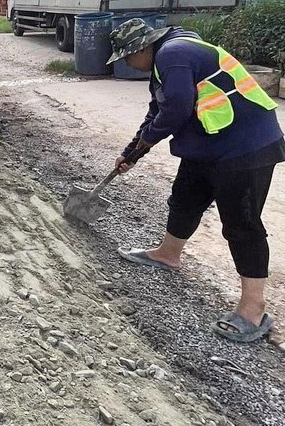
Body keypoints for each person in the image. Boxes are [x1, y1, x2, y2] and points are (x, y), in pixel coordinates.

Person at [108, 18, 284, 343]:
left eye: (126, 57)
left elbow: (175, 110)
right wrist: (132, 152)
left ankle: (253, 309)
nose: (126, 64)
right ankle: (167, 254)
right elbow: (157, 111)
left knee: (241, 223)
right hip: (209, 140)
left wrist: (144, 142)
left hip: (245, 145)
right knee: (185, 198)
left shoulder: (172, 53)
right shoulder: (167, 62)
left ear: (142, 48)